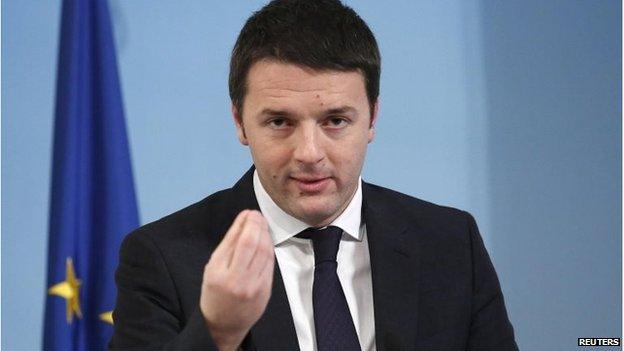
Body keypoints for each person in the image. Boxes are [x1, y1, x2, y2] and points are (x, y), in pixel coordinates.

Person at [110, 0, 518, 350]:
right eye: (280, 122)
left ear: (373, 117)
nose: (309, 153)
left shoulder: (449, 243)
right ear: (239, 121)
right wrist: (217, 330)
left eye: (336, 120)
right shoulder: (163, 257)